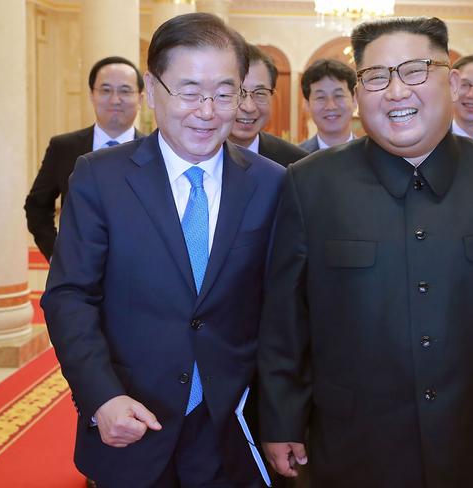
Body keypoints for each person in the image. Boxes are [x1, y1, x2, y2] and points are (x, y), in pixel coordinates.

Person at [257, 16, 473, 488]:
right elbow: (285, 322)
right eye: (377, 76)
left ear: (453, 82)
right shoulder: (310, 183)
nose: (397, 91)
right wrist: (281, 418)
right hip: (357, 444)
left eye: (416, 70)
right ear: (359, 94)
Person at [42, 13, 285, 488]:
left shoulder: (271, 184)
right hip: (131, 418)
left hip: (232, 427)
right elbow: (70, 296)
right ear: (152, 91)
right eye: (190, 91)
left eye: (224, 92)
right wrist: (101, 397)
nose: (208, 110)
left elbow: (283, 308)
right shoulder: (99, 177)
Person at [24, 56, 145, 260]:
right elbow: (37, 206)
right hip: (79, 274)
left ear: (141, 98)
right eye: (105, 90)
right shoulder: (63, 148)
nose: (115, 100)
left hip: (140, 273)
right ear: (92, 95)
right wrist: (56, 254)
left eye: (125, 91)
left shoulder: (155, 152)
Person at [229, 43, 308, 166]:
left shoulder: (296, 163)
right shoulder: (195, 156)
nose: (249, 107)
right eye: (239, 93)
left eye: (260, 93)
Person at [298, 58, 357, 152]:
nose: (331, 106)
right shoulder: (294, 159)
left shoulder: (374, 157)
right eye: (320, 97)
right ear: (307, 105)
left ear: (354, 100)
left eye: (338, 96)